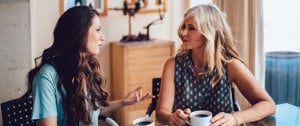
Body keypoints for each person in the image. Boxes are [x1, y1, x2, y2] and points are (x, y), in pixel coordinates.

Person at [22, 6, 154, 126]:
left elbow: (88, 108)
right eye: (97, 30)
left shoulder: (83, 67)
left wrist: (123, 102)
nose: (102, 37)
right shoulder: (46, 78)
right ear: (80, 33)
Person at [155, 3, 275, 126]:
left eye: (191, 28)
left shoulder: (230, 65)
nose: (183, 32)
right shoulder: (172, 64)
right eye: (184, 27)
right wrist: (171, 118)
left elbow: (268, 105)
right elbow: (160, 113)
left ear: (209, 32)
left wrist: (235, 118)